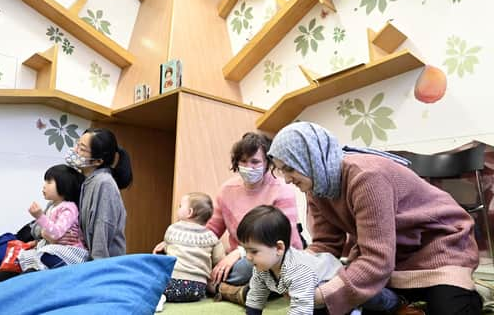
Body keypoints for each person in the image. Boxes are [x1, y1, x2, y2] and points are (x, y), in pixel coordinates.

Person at [268, 121, 482, 315]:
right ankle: (402, 299)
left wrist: (322, 295)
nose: (287, 179)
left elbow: (377, 260)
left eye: (290, 169)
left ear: (311, 158)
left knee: (449, 309)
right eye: (281, 170)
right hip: (391, 253)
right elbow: (326, 244)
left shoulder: (366, 177)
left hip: (440, 245)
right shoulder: (316, 186)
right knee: (327, 305)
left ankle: (463, 292)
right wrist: (296, 269)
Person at [238, 205, 398, 315]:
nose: (248, 256)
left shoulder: (298, 270)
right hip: (316, 299)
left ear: (279, 248)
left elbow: (301, 310)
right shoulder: (261, 269)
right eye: (245, 250)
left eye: (253, 251)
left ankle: (394, 301)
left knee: (368, 298)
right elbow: (256, 295)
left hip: (338, 284)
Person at [205, 132, 302, 305]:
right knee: (201, 262)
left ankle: (218, 288)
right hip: (241, 257)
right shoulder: (226, 190)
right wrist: (183, 242)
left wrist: (240, 252)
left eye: (255, 162)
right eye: (243, 161)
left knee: (247, 269)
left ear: (267, 163)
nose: (248, 167)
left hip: (274, 254)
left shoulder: (282, 189)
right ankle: (235, 289)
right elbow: (211, 230)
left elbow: (282, 238)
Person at [0, 165, 88, 282]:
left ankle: (32, 276)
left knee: (46, 255)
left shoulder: (69, 208)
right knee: (2, 273)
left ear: (64, 185)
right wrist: (43, 234)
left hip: (68, 252)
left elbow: (56, 234)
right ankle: (27, 275)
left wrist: (39, 216)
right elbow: (48, 234)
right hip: (50, 248)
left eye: (49, 182)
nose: (44, 186)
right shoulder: (52, 206)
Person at [64, 128, 132, 259]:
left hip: (103, 267)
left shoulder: (104, 183)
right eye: (77, 144)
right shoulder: (86, 180)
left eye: (82, 149)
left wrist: (96, 270)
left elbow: (102, 229)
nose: (75, 150)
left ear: (98, 161)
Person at [153, 192, 225, 308]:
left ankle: (160, 297)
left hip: (171, 284)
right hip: (197, 289)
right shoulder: (211, 237)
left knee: (153, 279)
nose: (178, 208)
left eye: (180, 206)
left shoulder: (172, 229)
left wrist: (164, 246)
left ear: (189, 212)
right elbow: (219, 260)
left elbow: (169, 249)